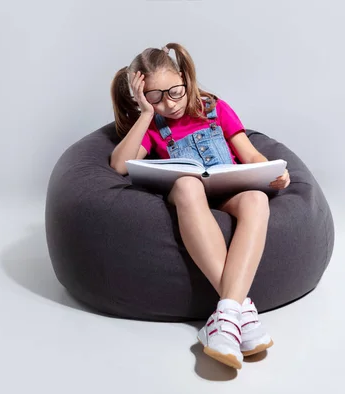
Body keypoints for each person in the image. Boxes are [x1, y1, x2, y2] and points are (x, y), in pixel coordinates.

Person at [109, 42, 290, 369]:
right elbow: (120, 164)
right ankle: (240, 314)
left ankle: (226, 317)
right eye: (155, 97)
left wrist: (275, 173)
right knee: (188, 183)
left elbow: (250, 155)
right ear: (143, 97)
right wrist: (145, 114)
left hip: (228, 190)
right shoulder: (152, 127)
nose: (169, 103)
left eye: (175, 91)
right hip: (190, 196)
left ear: (183, 76)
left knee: (257, 199)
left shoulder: (215, 108)